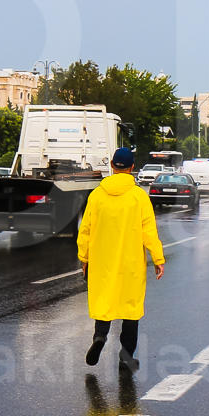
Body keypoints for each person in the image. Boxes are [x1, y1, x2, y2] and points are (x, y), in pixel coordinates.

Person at [78, 147, 165, 372]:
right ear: (132, 167)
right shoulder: (138, 197)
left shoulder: (97, 195)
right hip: (130, 263)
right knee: (130, 310)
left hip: (102, 262)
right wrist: (158, 258)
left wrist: (84, 257)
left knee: (104, 303)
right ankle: (126, 356)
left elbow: (85, 229)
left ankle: (100, 336)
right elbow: (149, 231)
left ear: (113, 166)